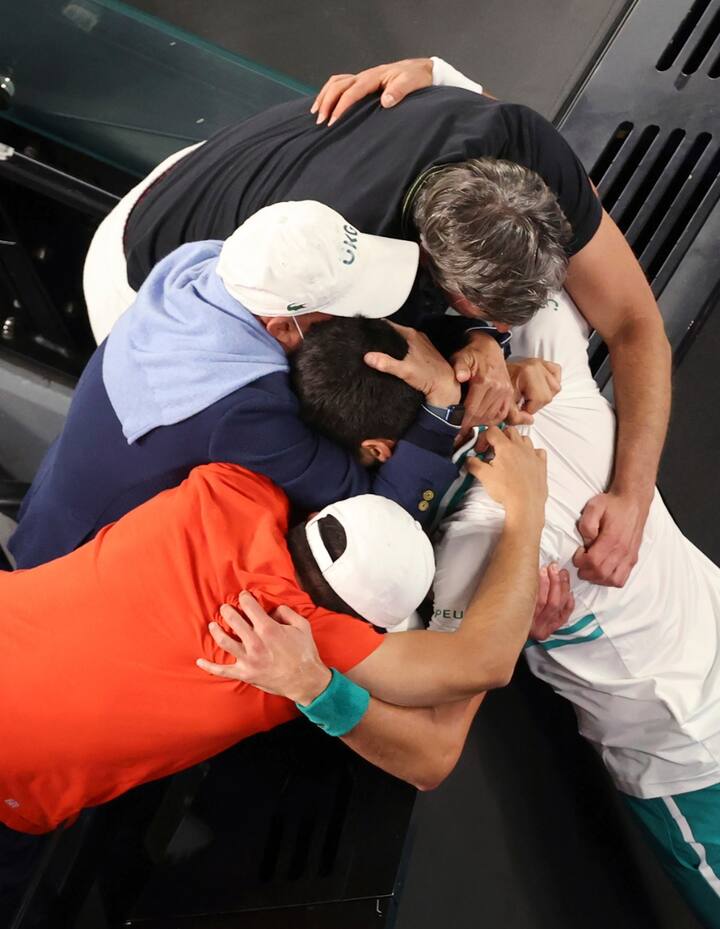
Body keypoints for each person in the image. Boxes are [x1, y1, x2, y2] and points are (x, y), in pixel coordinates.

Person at [216, 300, 720, 925]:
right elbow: (563, 234)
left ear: (374, 449)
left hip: (690, 760)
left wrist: (312, 684)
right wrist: (484, 335)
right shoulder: (553, 376)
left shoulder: (474, 544)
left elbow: (432, 751)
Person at [82, 55, 670, 589]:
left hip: (250, 170)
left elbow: (634, 323)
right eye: (481, 312)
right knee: (314, 505)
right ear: (444, 280)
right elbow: (359, 475)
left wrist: (632, 498)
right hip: (151, 262)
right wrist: (449, 389)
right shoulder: (319, 266)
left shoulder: (521, 140)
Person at [0, 434, 564, 916]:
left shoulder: (231, 488)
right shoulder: (290, 636)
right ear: (363, 624)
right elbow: (468, 686)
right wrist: (527, 511)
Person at [9, 201, 463, 569]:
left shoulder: (208, 265)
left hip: (52, 506)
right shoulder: (239, 408)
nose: (359, 317)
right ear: (284, 328)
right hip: (74, 564)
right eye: (348, 306)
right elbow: (375, 517)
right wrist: (441, 400)